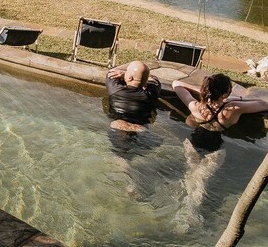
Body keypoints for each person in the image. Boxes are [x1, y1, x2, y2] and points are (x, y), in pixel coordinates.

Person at [172, 74, 268, 231]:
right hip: (214, 152)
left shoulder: (195, 107)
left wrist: (203, 93)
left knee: (191, 175)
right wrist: (237, 100)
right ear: (225, 94)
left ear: (206, 90)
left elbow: (176, 84)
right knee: (202, 182)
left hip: (192, 146)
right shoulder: (233, 109)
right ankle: (189, 216)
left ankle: (184, 210)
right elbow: (263, 103)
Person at [106, 61, 160, 132]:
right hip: (140, 127)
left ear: (130, 78)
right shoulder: (152, 93)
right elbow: (155, 79)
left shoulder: (114, 89)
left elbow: (110, 73)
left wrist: (123, 74)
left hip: (117, 125)